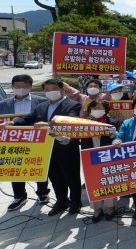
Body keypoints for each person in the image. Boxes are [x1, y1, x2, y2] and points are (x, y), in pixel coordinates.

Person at [0, 79, 83, 216]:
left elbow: (70, 122)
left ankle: (75, 202)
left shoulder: (73, 105)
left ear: (62, 89)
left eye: (54, 89)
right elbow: (27, 119)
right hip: (45, 149)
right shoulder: (41, 106)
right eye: (47, 90)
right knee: (55, 177)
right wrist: (12, 122)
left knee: (71, 177)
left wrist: (49, 124)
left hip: (66, 147)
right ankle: (62, 200)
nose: (51, 92)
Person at [0, 75, 49, 211]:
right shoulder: (3, 105)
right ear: (12, 87)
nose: (21, 89)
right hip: (13, 142)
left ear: (31, 86)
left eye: (25, 86)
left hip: (38, 140)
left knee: (39, 164)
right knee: (15, 167)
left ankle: (43, 193)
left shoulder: (42, 102)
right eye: (18, 86)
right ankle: (19, 196)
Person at [82, 99, 121, 222]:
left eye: (100, 108)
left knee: (110, 181)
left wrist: (115, 136)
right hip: (90, 157)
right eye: (94, 108)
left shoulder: (113, 122)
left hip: (108, 157)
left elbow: (120, 136)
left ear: (106, 110)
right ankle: (97, 209)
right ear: (89, 110)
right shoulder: (85, 123)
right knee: (93, 183)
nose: (97, 111)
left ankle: (110, 207)